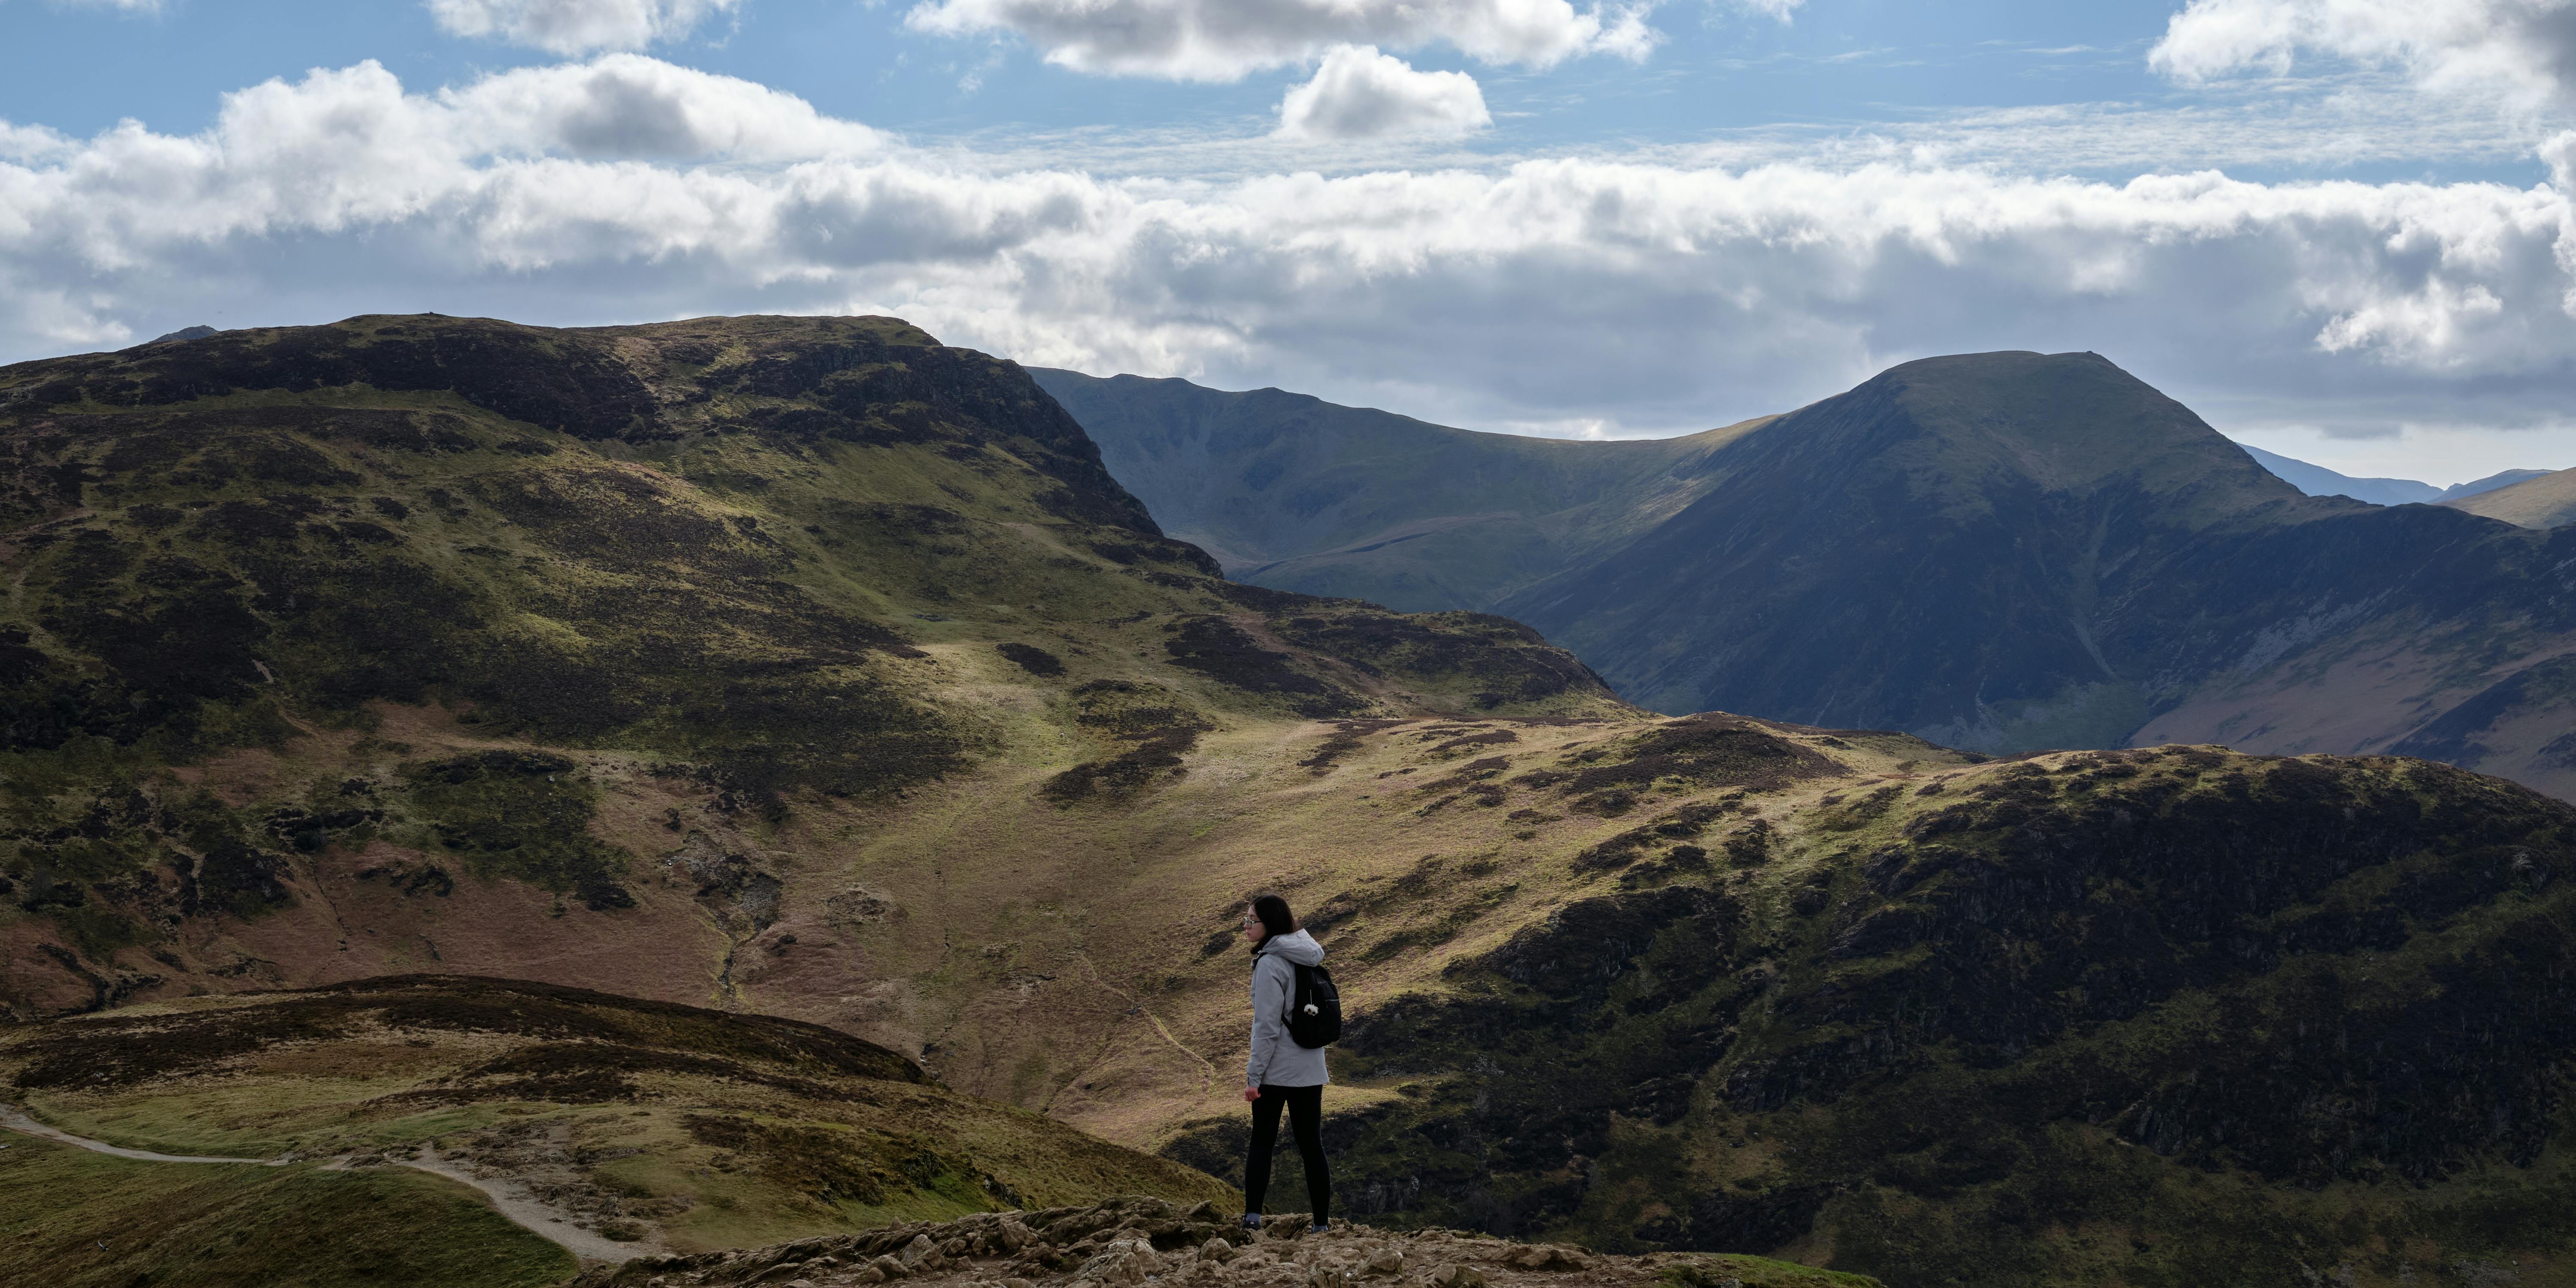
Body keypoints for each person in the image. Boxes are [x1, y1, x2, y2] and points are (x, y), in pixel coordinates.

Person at [1239, 892, 1331, 1234]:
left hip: (1276, 1070)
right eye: (1246, 919)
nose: (1246, 926)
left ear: (1270, 924)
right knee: (1312, 1146)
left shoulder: (1269, 963)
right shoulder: (1307, 956)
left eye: (1252, 920)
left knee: (1262, 1142)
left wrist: (1254, 1077)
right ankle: (1321, 1225)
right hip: (1310, 1066)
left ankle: (1252, 1219)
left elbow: (1266, 1027)